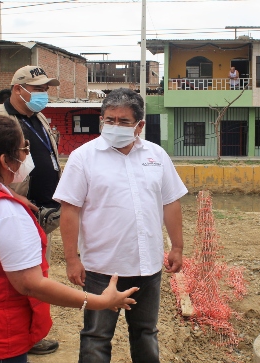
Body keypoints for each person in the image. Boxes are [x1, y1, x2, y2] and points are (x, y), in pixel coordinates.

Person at [0, 114, 137, 363]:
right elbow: (31, 284)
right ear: (4, 160)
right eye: (24, 148)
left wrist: (7, 196)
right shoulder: (4, 213)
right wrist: (99, 301)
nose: (26, 155)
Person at [53, 88, 187, 363]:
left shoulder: (157, 156)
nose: (115, 126)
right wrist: (71, 259)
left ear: (139, 125)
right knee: (96, 336)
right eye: (109, 119)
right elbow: (70, 210)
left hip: (147, 266)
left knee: (146, 332)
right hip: (102, 268)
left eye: (124, 121)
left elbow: (170, 202)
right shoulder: (83, 158)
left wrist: (177, 246)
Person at [0, 65, 63, 355]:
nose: (44, 94)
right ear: (19, 89)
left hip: (42, 215)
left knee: (37, 276)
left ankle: (31, 332)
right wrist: (13, 199)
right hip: (13, 214)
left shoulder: (37, 117)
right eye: (38, 88)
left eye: (46, 89)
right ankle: (13, 336)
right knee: (15, 279)